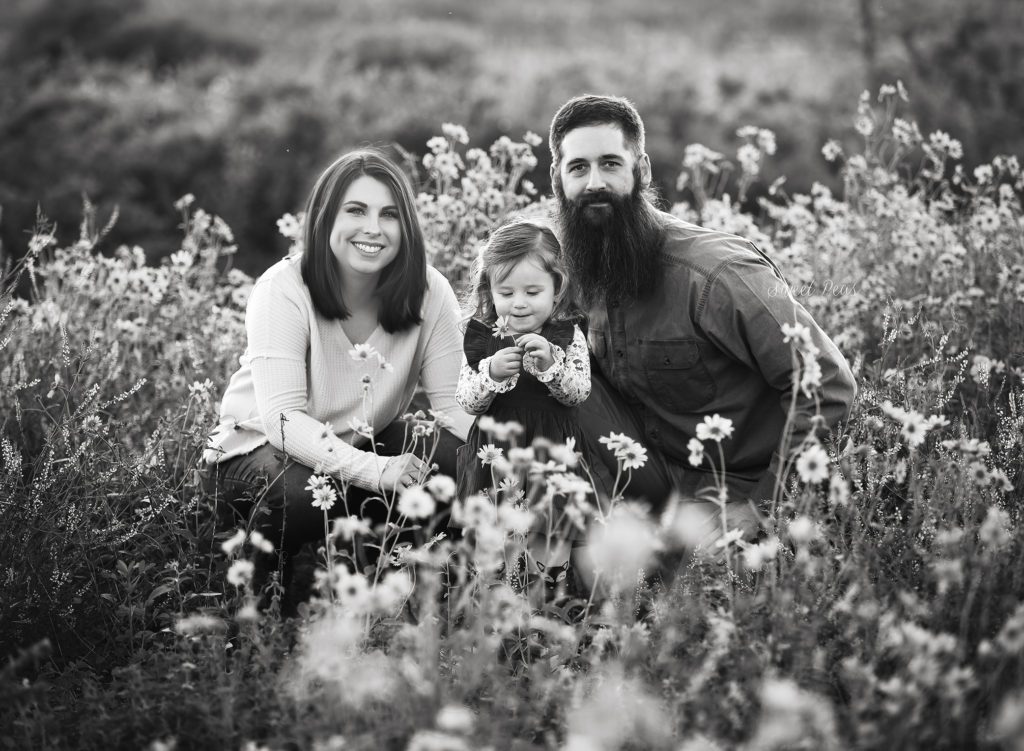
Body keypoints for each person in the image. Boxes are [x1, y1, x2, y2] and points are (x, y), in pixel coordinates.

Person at [547, 94, 858, 550]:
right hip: (646, 481)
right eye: (578, 168)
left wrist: (762, 506)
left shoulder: (717, 273)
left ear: (643, 170)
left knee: (712, 591)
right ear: (557, 179)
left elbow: (827, 386)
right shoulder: (566, 269)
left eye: (611, 164)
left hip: (737, 484)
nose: (595, 182)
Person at [202, 149, 473, 611]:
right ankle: (259, 604)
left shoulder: (430, 290)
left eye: (389, 214)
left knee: (456, 461)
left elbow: (452, 405)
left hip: (362, 443)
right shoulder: (283, 288)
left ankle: (395, 590)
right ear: (326, 218)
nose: (373, 228)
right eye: (356, 210)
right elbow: (284, 420)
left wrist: (513, 467)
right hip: (259, 451)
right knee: (303, 497)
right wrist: (379, 472)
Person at [454, 218, 606, 566]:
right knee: (492, 551)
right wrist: (491, 373)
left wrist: (552, 365)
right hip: (496, 456)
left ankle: (542, 609)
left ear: (557, 288)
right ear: (488, 291)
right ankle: (493, 613)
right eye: (506, 293)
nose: (519, 303)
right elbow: (466, 400)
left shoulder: (567, 336)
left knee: (548, 545)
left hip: (551, 452)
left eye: (532, 292)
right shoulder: (482, 338)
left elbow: (578, 393)